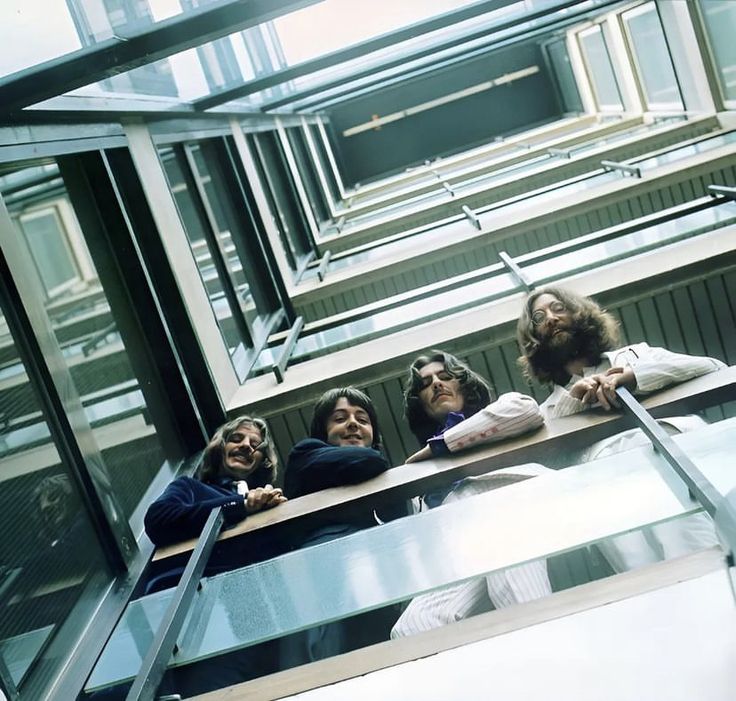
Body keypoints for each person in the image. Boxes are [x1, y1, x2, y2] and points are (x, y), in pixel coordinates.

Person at [517, 285, 724, 570]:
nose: (550, 318)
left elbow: (713, 368)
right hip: (604, 490)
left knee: (700, 553)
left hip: (666, 453)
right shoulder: (546, 411)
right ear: (535, 339)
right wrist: (573, 401)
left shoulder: (635, 355)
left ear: (579, 313)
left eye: (558, 308)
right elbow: (549, 473)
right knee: (647, 576)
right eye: (539, 318)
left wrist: (634, 377)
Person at [391, 351, 551, 638]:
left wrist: (442, 445)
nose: (437, 384)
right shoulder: (421, 473)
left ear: (463, 384)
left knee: (517, 594)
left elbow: (526, 410)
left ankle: (551, 668)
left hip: (506, 510)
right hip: (457, 543)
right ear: (420, 404)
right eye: (426, 384)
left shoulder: (495, 413)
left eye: (445, 376)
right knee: (412, 628)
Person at [282, 387, 403, 661]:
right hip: (323, 562)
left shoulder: (381, 480)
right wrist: (374, 456)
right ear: (322, 432)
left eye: (362, 419)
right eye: (340, 418)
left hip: (369, 572)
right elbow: (368, 459)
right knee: (326, 651)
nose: (352, 423)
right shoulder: (306, 453)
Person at [145, 415, 286, 548]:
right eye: (236, 439)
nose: (246, 445)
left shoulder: (267, 503)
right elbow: (157, 519)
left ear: (263, 461)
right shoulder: (190, 487)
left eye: (255, 444)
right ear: (220, 447)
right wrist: (241, 505)